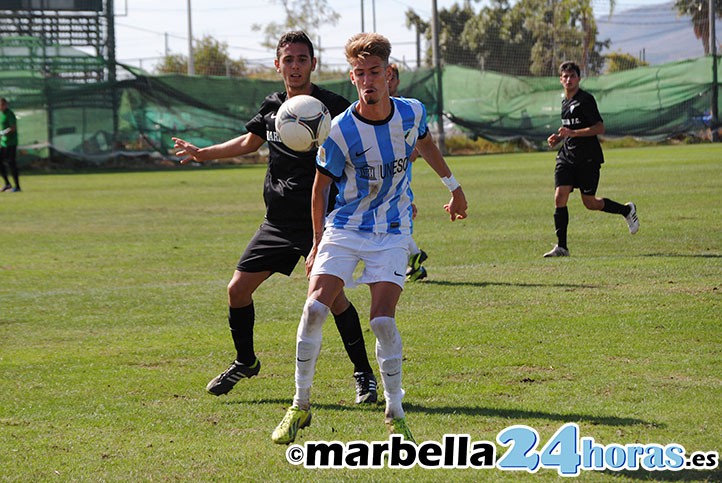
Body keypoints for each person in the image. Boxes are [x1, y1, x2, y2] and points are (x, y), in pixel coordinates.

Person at [271, 32, 468, 445]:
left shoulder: (412, 114)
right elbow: (320, 190)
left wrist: (454, 186)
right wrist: (315, 243)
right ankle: (300, 405)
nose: (368, 81)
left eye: (375, 72)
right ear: (352, 77)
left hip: (392, 231)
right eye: (360, 74)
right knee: (313, 310)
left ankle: (395, 411)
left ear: (388, 73)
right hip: (345, 228)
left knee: (381, 320)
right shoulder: (340, 130)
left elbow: (427, 146)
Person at [172, 31, 378, 405]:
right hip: (278, 222)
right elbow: (248, 142)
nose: (295, 66)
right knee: (237, 290)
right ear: (277, 64)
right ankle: (246, 361)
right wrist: (202, 154)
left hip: (323, 221)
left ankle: (364, 373)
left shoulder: (334, 107)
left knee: (332, 299)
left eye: (302, 59)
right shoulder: (272, 106)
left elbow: (364, 152)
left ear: (313, 64)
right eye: (289, 59)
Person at [544, 61, 639, 258]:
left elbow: (599, 128)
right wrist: (559, 137)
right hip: (567, 156)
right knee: (559, 196)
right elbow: (570, 130)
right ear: (561, 79)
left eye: (572, 76)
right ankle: (562, 247)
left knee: (589, 203)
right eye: (565, 76)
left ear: (579, 78)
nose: (568, 79)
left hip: (588, 158)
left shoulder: (586, 100)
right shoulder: (564, 103)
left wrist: (573, 133)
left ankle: (626, 210)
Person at [387, 63, 428, 282]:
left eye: (392, 77)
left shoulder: (407, 110)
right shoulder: (373, 108)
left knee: (396, 224)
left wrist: (412, 150)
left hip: (401, 179)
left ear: (397, 81)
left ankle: (412, 257)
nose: (388, 81)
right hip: (381, 179)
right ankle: (414, 259)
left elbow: (417, 145)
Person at [0, 98, 20, 192]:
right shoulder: (0, 114)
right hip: (3, 143)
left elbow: (13, 128)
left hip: (11, 143)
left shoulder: (10, 114)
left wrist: (3, 132)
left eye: (2, 105)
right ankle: (7, 184)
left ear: (5, 105)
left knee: (11, 163)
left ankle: (17, 186)